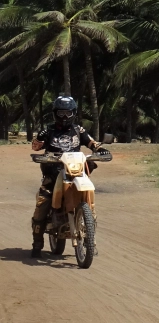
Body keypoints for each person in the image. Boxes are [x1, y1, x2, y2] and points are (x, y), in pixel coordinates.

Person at [30, 96, 109, 258]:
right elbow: (35, 147)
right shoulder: (49, 130)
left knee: (89, 201)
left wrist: (100, 149)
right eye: (61, 113)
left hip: (75, 171)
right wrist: (39, 137)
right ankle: (37, 243)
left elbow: (92, 143)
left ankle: (90, 240)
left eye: (68, 113)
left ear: (73, 113)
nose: (65, 117)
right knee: (43, 202)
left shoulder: (78, 130)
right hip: (53, 172)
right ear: (55, 113)